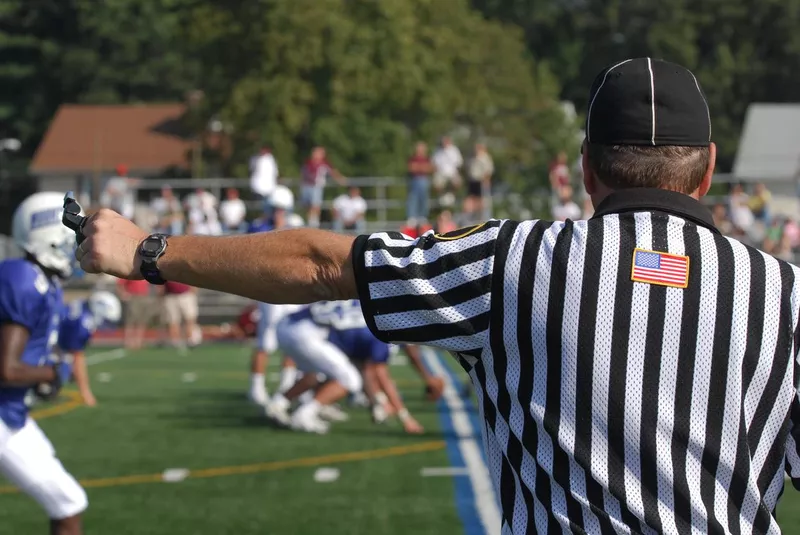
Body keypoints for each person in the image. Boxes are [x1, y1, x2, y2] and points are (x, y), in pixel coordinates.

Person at [74, 57, 800, 534]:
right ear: (706, 171)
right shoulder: (787, 295)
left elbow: (325, 264)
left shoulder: (514, 259)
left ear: (585, 169)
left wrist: (148, 251)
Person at [2, 192, 87, 534]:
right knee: (68, 501)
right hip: (4, 417)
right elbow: (6, 370)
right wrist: (51, 372)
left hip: (13, 414)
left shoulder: (43, 283)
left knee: (68, 502)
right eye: (70, 232)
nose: (74, 242)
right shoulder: (24, 278)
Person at [327, 301, 424, 434]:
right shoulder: (383, 334)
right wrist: (405, 417)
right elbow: (382, 377)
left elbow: (367, 369)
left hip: (333, 329)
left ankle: (376, 405)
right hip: (331, 333)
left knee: (360, 371)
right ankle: (310, 409)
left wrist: (378, 401)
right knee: (352, 378)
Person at [269, 301, 365, 433]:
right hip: (307, 333)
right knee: (350, 379)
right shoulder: (365, 313)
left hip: (287, 326)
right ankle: (305, 414)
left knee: (314, 373)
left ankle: (278, 404)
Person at [246, 185, 302, 406]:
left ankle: (287, 386)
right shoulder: (258, 227)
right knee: (265, 342)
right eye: (276, 208)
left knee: (291, 340)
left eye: (282, 209)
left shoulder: (295, 226)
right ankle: (256, 388)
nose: (278, 212)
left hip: (292, 291)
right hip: (269, 291)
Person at [58, 291, 123, 407]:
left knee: (66, 366)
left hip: (52, 342)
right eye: (106, 320)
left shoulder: (82, 307)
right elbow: (78, 358)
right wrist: (85, 392)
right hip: (45, 347)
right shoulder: (83, 323)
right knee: (62, 372)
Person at [300, 146, 345, 228]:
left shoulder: (324, 164)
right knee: (307, 206)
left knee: (315, 205)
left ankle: (313, 224)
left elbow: (333, 172)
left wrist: (340, 179)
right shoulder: (308, 162)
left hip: (316, 186)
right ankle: (309, 222)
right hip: (306, 185)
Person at [159, 281, 198, 352]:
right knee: (173, 321)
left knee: (189, 319)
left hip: (185, 294)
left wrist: (193, 290)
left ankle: (190, 341)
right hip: (170, 296)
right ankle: (176, 343)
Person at [463, 142, 494, 220]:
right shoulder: (471, 158)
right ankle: (470, 216)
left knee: (482, 201)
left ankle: (480, 217)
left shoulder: (485, 158)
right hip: (472, 181)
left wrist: (486, 180)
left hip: (481, 182)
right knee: (471, 200)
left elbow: (488, 171)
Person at [431, 136, 463, 208]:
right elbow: (433, 163)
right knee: (436, 183)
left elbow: (459, 163)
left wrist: (457, 173)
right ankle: (442, 196)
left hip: (452, 172)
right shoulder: (437, 151)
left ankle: (451, 195)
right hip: (441, 172)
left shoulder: (454, 150)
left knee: (457, 182)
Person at [406, 142, 433, 223]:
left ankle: (422, 216)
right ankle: (412, 217)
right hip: (415, 180)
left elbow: (429, 168)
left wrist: (418, 167)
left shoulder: (427, 158)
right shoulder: (412, 158)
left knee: (424, 197)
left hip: (424, 180)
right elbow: (411, 168)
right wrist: (422, 168)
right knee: (413, 198)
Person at [249, 145, 279, 211]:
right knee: (258, 207)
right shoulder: (255, 158)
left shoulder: (271, 160)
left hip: (269, 188)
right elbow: (252, 169)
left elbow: (275, 173)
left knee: (268, 206)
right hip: (257, 187)